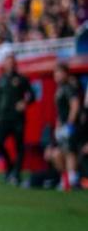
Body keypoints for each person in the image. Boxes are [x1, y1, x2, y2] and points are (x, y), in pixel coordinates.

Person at [0, 54, 34, 184]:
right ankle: (10, 167)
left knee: (19, 146)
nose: (10, 65)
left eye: (12, 62)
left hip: (17, 118)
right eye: (8, 62)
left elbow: (32, 95)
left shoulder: (22, 79)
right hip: (3, 117)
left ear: (15, 64)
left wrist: (24, 103)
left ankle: (16, 173)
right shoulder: (1, 80)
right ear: (4, 64)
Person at [47, 61, 79, 190]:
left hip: (69, 126)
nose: (57, 75)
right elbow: (59, 112)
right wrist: (58, 126)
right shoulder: (59, 89)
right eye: (55, 73)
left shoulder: (69, 87)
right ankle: (65, 178)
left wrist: (70, 124)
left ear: (65, 74)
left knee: (69, 151)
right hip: (61, 126)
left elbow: (75, 106)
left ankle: (72, 179)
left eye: (59, 72)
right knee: (58, 153)